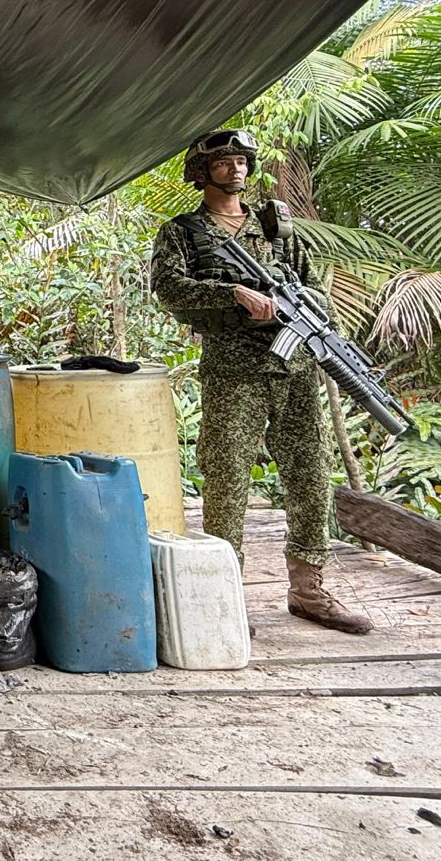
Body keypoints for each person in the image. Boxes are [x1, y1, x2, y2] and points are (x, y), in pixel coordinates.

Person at [150, 128, 372, 634]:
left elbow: (314, 286)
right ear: (202, 173)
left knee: (311, 478)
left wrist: (305, 311)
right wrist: (233, 293)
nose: (237, 168)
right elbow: (168, 288)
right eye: (225, 161)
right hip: (234, 372)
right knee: (228, 482)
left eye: (242, 160)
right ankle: (225, 596)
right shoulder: (183, 232)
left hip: (293, 370)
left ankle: (309, 590)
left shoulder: (274, 227)